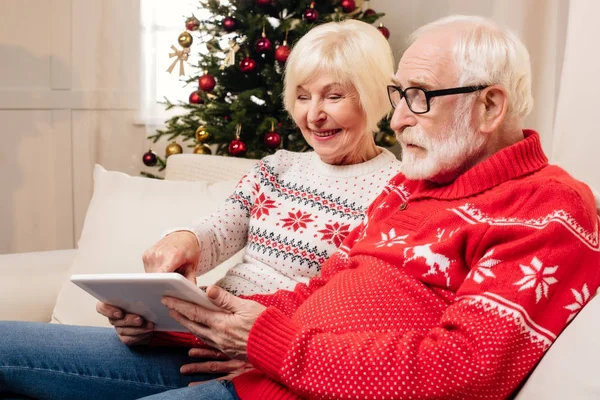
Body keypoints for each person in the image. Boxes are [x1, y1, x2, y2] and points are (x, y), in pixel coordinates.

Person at [129, 14, 600, 400]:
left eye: (419, 97)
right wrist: (171, 320)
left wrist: (268, 344)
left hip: (277, 382)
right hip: (261, 373)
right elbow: (314, 294)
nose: (396, 120)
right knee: (51, 353)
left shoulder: (550, 207)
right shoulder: (411, 186)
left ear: (490, 107)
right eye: (399, 96)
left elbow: (465, 370)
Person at [0, 20, 401, 398]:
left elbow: (356, 307)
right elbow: (214, 231)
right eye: (302, 96)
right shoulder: (278, 168)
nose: (313, 115)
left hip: (257, 364)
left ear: (371, 96)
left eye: (334, 96)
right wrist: (179, 247)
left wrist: (264, 350)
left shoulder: (396, 192)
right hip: (185, 335)